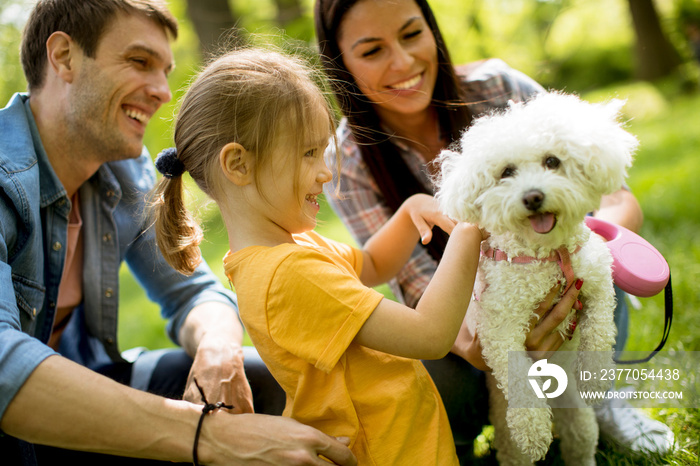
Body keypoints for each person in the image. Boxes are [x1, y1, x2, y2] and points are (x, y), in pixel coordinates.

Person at [0, 1, 355, 465]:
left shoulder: (121, 171)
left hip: (91, 388)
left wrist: (218, 352)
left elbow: (192, 293)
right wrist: (210, 437)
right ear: (64, 56)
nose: (163, 91)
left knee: (280, 381)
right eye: (139, 62)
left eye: (165, 70)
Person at [314, 0, 673, 458]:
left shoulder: (498, 84)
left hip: (567, 286)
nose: (402, 63)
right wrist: (482, 344)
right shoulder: (348, 157)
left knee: (598, 258)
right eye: (372, 51)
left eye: (410, 35)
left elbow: (617, 199)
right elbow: (414, 284)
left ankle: (598, 400)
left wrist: (571, 249)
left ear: (432, 30)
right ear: (340, 64)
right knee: (432, 380)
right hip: (467, 325)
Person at [150, 46, 515, 465]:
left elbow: (373, 266)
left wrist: (410, 209)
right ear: (238, 164)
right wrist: (469, 230)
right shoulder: (288, 273)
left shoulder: (284, 251)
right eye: (308, 153)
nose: (325, 171)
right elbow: (430, 334)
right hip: (387, 453)